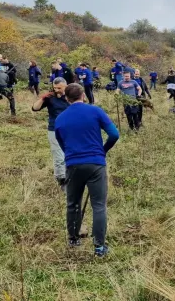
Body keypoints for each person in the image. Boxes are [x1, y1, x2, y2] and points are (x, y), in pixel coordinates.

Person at [54, 83, 120, 257]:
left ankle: (74, 238)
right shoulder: (95, 111)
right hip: (96, 163)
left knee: (73, 203)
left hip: (73, 164)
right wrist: (102, 151)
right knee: (99, 206)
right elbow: (114, 134)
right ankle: (99, 247)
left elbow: (62, 144)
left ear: (67, 99)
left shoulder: (60, 119)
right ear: (83, 95)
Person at [31, 78, 70, 190]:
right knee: (58, 155)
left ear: (65, 87)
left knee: (69, 153)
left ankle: (71, 175)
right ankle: (61, 179)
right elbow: (35, 108)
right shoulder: (50, 98)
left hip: (70, 129)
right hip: (54, 129)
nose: (56, 90)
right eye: (55, 87)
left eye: (59, 88)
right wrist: (43, 98)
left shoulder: (70, 97)